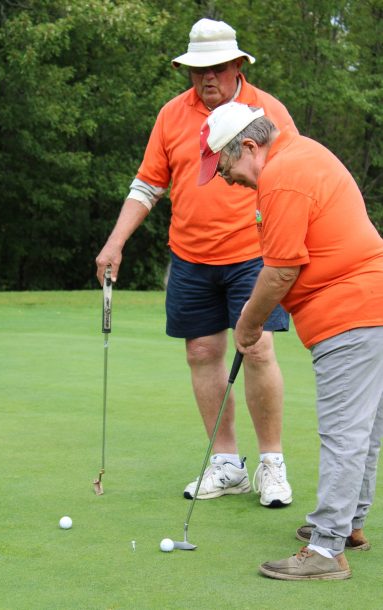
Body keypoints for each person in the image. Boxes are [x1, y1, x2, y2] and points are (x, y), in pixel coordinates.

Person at [96, 18, 298, 507]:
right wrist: (115, 242)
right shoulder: (171, 115)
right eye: (196, 70)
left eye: (217, 67)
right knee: (201, 355)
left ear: (236, 66)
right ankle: (226, 464)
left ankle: (271, 463)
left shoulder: (267, 110)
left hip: (254, 253)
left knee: (259, 350)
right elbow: (148, 185)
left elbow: (294, 172)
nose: (206, 78)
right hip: (190, 256)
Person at [198, 101, 383, 580]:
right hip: (368, 303)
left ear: (250, 147)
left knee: (344, 431)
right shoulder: (302, 154)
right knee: (362, 429)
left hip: (351, 309)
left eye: (225, 166)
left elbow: (280, 270)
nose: (226, 180)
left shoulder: (282, 176)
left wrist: (247, 324)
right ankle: (348, 527)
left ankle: (326, 551)